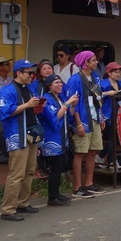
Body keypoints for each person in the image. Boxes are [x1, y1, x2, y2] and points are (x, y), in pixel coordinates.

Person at [0, 59, 42, 221]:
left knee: (30, 170)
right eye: (29, 73)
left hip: (31, 132)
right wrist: (28, 105)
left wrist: (37, 106)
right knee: (16, 173)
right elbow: (5, 111)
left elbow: (32, 109)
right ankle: (8, 209)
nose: (32, 75)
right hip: (17, 134)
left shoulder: (29, 89)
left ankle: (23, 202)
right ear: (19, 73)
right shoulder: (7, 91)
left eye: (33, 73)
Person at [67, 51, 106, 198]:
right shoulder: (75, 80)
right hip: (82, 120)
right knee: (80, 153)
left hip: (94, 118)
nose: (96, 62)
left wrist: (101, 116)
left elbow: (98, 98)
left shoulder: (95, 77)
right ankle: (77, 187)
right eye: (93, 60)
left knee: (93, 151)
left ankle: (89, 183)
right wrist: (78, 124)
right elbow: (74, 104)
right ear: (85, 63)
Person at [38, 75, 79, 206]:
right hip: (52, 139)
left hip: (62, 138)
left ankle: (56, 194)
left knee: (60, 167)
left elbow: (68, 116)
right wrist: (67, 104)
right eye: (57, 83)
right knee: (55, 168)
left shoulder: (60, 98)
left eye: (61, 83)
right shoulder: (47, 99)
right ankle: (52, 197)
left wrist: (72, 106)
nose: (60, 85)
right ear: (49, 86)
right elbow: (54, 118)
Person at [97, 62, 121, 168]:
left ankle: (101, 156)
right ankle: (113, 162)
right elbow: (95, 94)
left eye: (119, 72)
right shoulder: (102, 84)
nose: (118, 74)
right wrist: (107, 93)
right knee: (111, 137)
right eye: (116, 72)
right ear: (109, 72)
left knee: (116, 137)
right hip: (107, 114)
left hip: (118, 114)